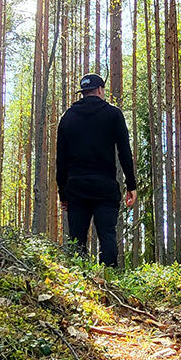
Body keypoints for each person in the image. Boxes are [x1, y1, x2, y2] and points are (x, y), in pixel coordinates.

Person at [56, 73, 137, 267]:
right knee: (107, 236)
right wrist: (131, 185)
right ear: (100, 90)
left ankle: (78, 286)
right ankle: (109, 283)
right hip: (105, 187)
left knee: (77, 240)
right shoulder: (113, 114)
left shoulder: (67, 117)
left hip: (76, 187)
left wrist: (63, 194)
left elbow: (61, 159)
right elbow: (125, 152)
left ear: (83, 93)